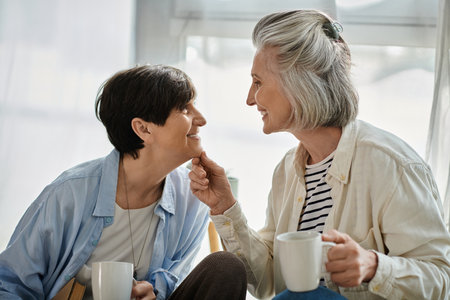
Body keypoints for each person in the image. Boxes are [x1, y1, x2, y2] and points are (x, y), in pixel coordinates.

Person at [189, 10, 450, 300]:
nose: (250, 98)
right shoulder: (286, 171)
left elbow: (440, 278)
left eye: (258, 82)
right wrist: (225, 207)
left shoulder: (391, 165)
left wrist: (373, 267)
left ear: (299, 82)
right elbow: (269, 284)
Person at [0, 65, 247, 300]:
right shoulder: (70, 194)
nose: (201, 119)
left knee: (225, 267)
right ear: (143, 129)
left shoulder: (192, 197)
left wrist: (154, 293)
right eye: (184, 109)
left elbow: (177, 281)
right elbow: (9, 283)